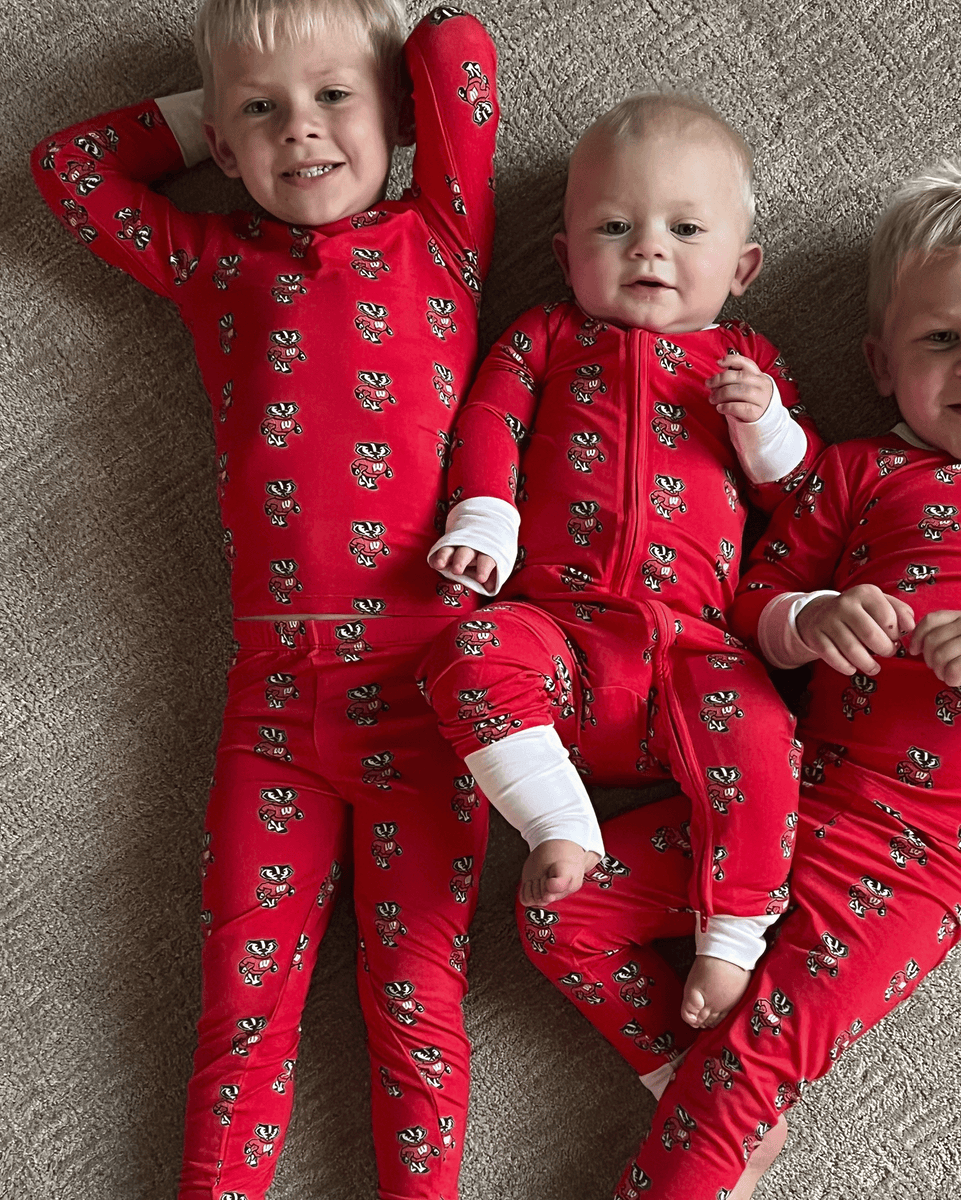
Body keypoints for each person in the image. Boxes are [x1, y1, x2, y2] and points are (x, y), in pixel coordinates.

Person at [529, 158, 961, 1200]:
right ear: (881, 364)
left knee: (749, 1065)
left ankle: (721, 1124)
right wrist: (814, 620)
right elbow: (754, 605)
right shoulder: (855, 472)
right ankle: (717, 1109)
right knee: (561, 910)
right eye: (941, 339)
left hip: (922, 854)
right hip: (778, 801)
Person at [31, 3, 498, 1196]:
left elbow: (460, 53)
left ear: (394, 114)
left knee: (415, 1008)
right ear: (225, 152)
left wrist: (369, 68)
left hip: (434, 691)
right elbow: (67, 168)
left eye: (334, 99)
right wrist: (218, 104)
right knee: (241, 1011)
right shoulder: (208, 261)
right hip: (276, 704)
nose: (302, 132)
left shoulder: (442, 238)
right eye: (263, 115)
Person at [420, 92, 823, 1039]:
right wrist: (487, 516)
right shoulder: (546, 337)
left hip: (695, 654)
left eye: (685, 229)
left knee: (769, 740)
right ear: (565, 256)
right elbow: (489, 423)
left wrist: (763, 423)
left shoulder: (747, 359)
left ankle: (733, 930)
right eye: (615, 226)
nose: (649, 249)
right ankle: (559, 823)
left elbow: (798, 494)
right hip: (558, 637)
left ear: (742, 267)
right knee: (466, 653)